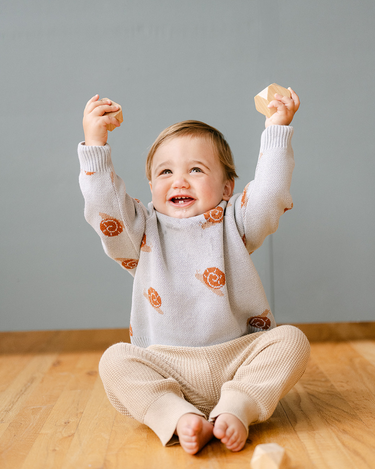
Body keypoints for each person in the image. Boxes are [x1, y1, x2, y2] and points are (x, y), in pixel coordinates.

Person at [77, 89, 310, 454]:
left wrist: (277, 129)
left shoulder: (235, 221)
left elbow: (269, 194)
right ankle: (178, 415)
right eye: (165, 172)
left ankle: (237, 407)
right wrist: (95, 144)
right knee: (114, 361)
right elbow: (104, 207)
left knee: (292, 340)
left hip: (237, 360)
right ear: (151, 187)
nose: (179, 181)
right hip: (165, 366)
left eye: (196, 170)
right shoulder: (139, 230)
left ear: (227, 188)